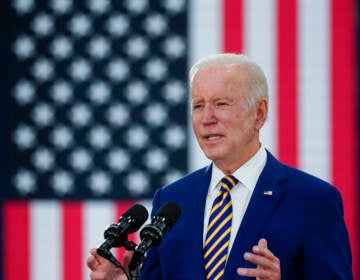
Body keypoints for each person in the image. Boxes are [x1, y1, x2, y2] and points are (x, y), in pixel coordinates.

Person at [87, 53, 353, 279]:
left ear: (258, 114)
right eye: (198, 105)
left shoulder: (313, 200)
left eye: (221, 104)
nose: (207, 118)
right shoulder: (172, 200)